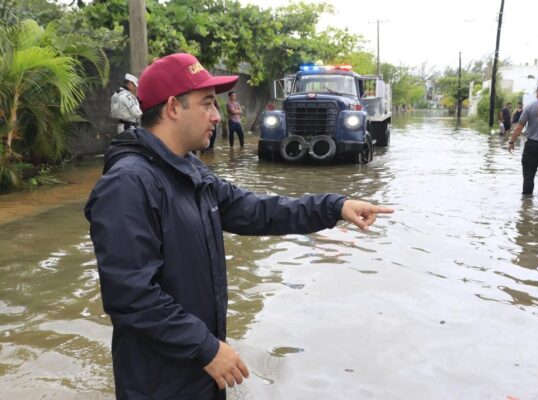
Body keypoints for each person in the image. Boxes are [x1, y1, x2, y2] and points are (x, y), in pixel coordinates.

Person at [84, 52, 394, 400]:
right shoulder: (129, 184)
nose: (217, 115)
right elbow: (131, 295)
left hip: (199, 368)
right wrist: (206, 347)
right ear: (173, 107)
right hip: (161, 382)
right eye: (206, 104)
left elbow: (257, 210)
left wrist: (334, 206)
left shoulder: (189, 171)